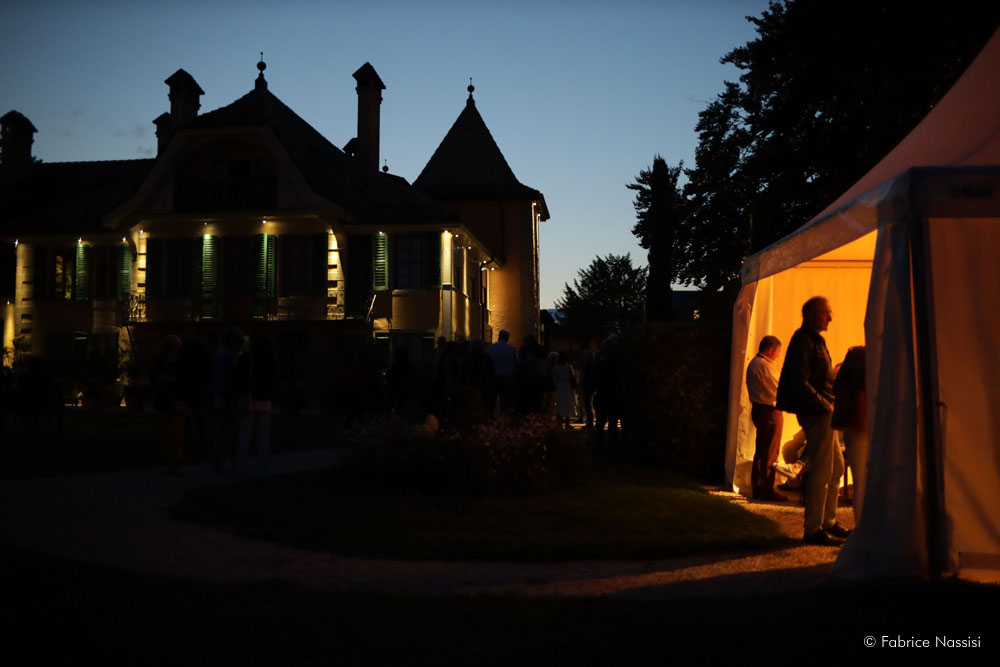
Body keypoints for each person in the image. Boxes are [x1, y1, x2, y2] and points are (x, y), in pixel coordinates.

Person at [776, 296, 849, 546]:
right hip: (818, 412)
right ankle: (814, 528)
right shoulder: (803, 341)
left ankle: (827, 521)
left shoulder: (812, 339)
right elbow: (800, 382)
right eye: (826, 313)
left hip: (823, 410)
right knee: (823, 469)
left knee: (836, 467)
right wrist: (825, 404)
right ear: (810, 315)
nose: (830, 318)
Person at [746, 335, 786, 502]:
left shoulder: (754, 364)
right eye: (777, 352)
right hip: (769, 411)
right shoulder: (764, 366)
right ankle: (766, 490)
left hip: (759, 409)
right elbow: (778, 389)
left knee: (762, 449)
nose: (778, 355)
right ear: (770, 350)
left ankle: (758, 487)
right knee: (770, 452)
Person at [832, 345, 867, 524]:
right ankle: (866, 524)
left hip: (852, 432)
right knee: (866, 482)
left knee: (860, 482)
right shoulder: (865, 381)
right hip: (865, 429)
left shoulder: (843, 384)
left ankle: (861, 524)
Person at [487, 330, 517, 414]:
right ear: (507, 338)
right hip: (507, 377)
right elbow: (514, 363)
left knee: (492, 399)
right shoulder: (512, 349)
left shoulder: (491, 347)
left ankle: (491, 415)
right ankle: (503, 416)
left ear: (499, 337)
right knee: (504, 400)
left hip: (494, 376)